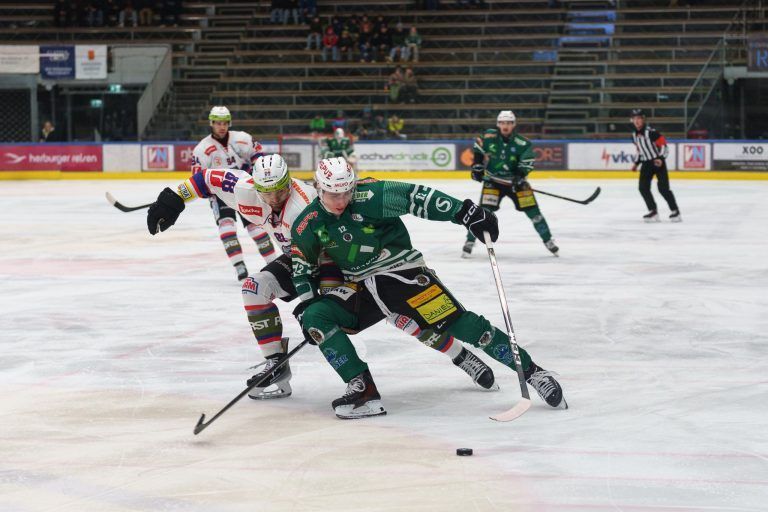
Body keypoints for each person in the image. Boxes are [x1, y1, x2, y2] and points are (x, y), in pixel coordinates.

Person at [146, 154, 498, 399]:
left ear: (289, 183)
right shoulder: (244, 189)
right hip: (298, 257)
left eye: (279, 189)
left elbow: (331, 254)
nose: (273, 197)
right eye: (266, 191)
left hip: (338, 260)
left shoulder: (305, 205)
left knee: (398, 314)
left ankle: (459, 355)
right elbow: (204, 179)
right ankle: (275, 366)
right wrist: (171, 200)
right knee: (254, 289)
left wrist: (319, 297)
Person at [290, 157, 567, 419]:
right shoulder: (307, 223)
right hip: (361, 289)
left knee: (464, 326)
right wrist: (306, 303)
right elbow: (302, 265)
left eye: (345, 193)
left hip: (403, 274)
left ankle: (533, 373)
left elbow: (416, 196)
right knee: (316, 316)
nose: (341, 201)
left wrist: (465, 212)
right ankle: (363, 390)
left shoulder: (369, 194)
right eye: (332, 195)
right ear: (318, 188)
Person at [191, 106, 277, 281]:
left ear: (229, 123)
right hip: (221, 195)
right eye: (217, 123)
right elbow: (198, 177)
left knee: (256, 227)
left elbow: (258, 155)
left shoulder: (242, 139)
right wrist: (209, 191)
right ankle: (239, 266)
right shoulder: (202, 149)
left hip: (245, 189)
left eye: (224, 123)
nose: (221, 126)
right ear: (211, 123)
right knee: (227, 226)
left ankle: (274, 263)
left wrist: (255, 169)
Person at [463, 110, 558, 258]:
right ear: (498, 124)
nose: (505, 125)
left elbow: (527, 162)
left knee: (534, 212)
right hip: (493, 182)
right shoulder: (489, 137)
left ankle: (548, 240)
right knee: (481, 213)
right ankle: (469, 241)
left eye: (508, 123)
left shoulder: (523, 143)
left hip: (516, 183)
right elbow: (479, 148)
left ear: (513, 124)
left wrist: (520, 176)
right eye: (502, 123)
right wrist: (477, 166)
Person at [630, 109, 681, 222]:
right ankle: (653, 211)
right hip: (646, 164)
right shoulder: (634, 135)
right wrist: (636, 163)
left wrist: (660, 159)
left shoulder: (651, 132)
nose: (637, 121)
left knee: (663, 189)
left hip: (657, 163)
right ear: (632, 120)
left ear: (643, 120)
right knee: (643, 188)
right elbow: (640, 150)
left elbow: (664, 147)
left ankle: (675, 211)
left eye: (639, 118)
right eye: (634, 118)